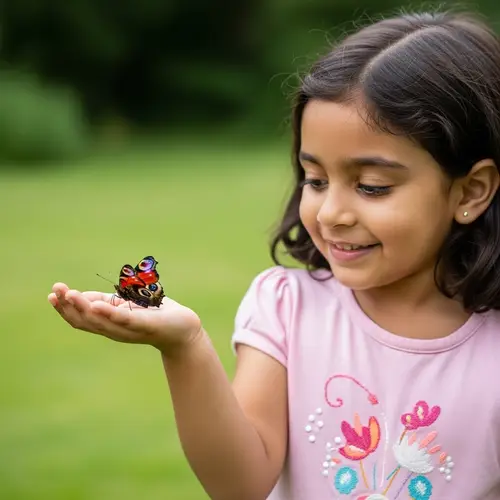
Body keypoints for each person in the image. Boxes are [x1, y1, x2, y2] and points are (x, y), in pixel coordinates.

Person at [48, 9, 500, 500]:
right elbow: (240, 484)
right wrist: (186, 346)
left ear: (470, 191)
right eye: (316, 180)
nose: (331, 213)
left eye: (371, 187)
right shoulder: (287, 308)